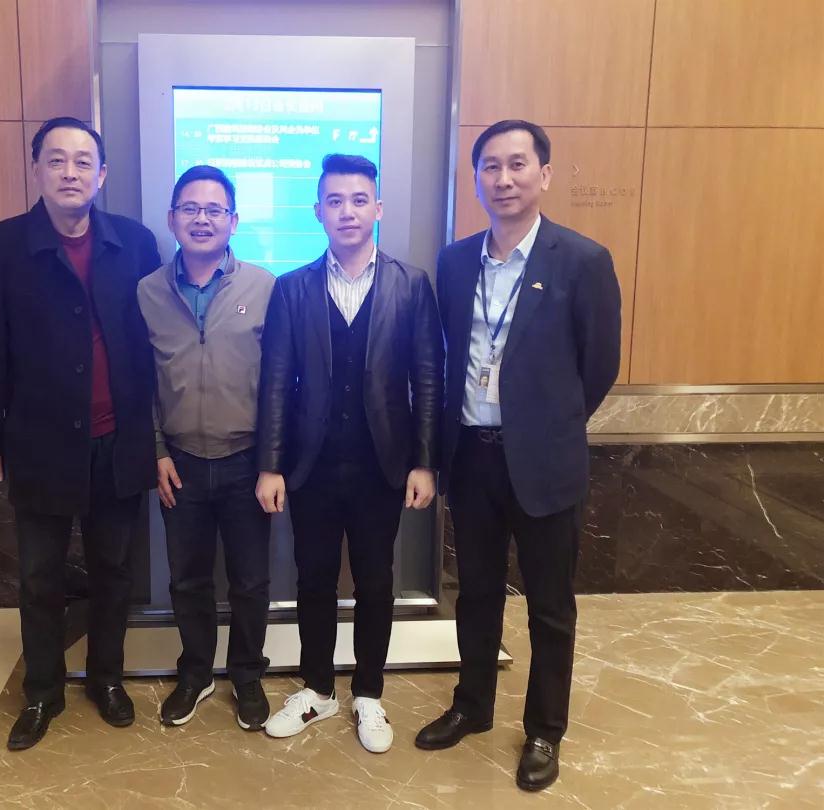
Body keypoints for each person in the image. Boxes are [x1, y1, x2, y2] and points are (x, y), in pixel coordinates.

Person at [415, 120, 621, 791]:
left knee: (550, 606)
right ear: (476, 179)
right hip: (471, 458)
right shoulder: (454, 262)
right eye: (491, 167)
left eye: (517, 164)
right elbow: (446, 358)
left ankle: (543, 731)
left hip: (544, 464)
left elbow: (599, 366)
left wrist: (546, 427)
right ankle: (472, 705)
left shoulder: (582, 260)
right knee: (474, 593)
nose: (504, 179)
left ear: (544, 174)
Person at [0, 117, 161, 751]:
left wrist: (155, 437)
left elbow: (154, 344)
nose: (70, 172)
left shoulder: (136, 243)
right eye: (56, 160)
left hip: (118, 439)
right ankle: (43, 691)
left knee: (113, 570)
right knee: (39, 576)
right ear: (37, 170)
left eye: (82, 162)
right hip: (39, 442)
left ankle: (106, 679)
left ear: (101, 175)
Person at [255, 154, 443, 753]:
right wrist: (271, 464)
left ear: (377, 208)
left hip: (381, 464)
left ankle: (368, 693)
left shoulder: (410, 284)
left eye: (359, 199)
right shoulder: (292, 288)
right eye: (335, 201)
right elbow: (275, 380)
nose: (347, 211)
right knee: (312, 578)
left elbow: (428, 378)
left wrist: (424, 461)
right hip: (310, 465)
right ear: (317, 211)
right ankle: (317, 688)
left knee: (375, 581)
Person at [137, 165, 276, 730]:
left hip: (247, 462)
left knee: (250, 581)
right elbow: (141, 382)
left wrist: (271, 462)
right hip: (181, 464)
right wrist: (157, 451)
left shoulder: (265, 287)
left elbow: (281, 382)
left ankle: (246, 674)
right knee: (188, 580)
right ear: (172, 218)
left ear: (233, 221)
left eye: (214, 210)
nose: (202, 219)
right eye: (190, 209)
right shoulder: (148, 291)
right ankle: (195, 673)